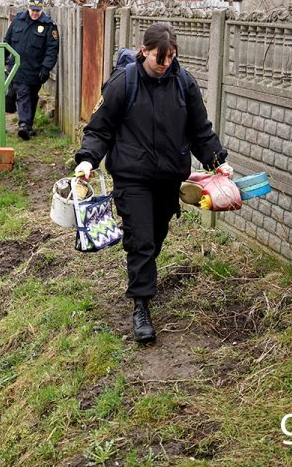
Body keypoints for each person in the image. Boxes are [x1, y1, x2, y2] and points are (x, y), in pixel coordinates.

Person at [73, 22, 232, 344]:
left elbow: (200, 129)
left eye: (171, 58)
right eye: (160, 58)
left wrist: (217, 160)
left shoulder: (184, 84)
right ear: (144, 51)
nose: (164, 65)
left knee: (156, 235)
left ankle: (142, 278)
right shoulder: (123, 83)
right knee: (141, 239)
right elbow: (100, 128)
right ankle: (141, 307)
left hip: (169, 177)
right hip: (132, 176)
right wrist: (88, 159)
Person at [3, 0, 60, 140]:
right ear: (28, 8)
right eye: (33, 10)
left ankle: (28, 126)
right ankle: (23, 124)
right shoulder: (18, 20)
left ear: (41, 10)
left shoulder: (48, 25)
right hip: (17, 68)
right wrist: (2, 57)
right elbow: (7, 41)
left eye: (38, 11)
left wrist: (46, 68)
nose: (35, 13)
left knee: (32, 97)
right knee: (23, 94)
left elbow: (52, 49)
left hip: (36, 70)